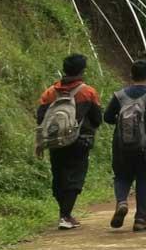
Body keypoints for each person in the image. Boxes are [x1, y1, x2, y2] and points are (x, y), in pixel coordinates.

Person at [35, 53, 103, 230]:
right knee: (75, 177)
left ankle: (64, 213)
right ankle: (65, 216)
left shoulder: (49, 93)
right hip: (80, 141)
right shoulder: (88, 92)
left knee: (59, 176)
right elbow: (97, 119)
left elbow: (40, 117)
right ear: (82, 71)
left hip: (55, 141)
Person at [104, 60, 146, 233]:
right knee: (145, 178)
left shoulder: (119, 96)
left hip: (121, 144)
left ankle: (122, 202)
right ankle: (141, 219)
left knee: (121, 176)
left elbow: (108, 117)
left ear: (131, 75)